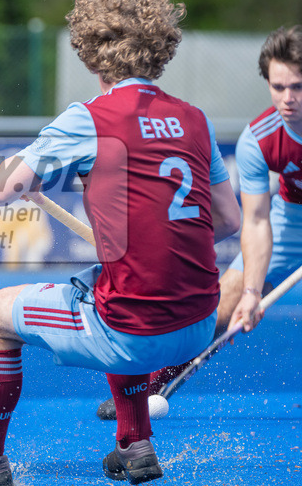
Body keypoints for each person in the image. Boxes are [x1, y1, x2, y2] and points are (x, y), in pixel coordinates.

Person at [0, 0, 242, 486]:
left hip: (137, 331)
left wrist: (20, 175)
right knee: (101, 281)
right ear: (162, 50)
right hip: (201, 321)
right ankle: (135, 441)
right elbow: (227, 221)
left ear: (92, 53)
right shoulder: (195, 120)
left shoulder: (89, 118)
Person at [98, 24, 302, 418]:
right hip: (290, 219)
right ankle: (147, 390)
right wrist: (253, 293)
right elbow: (257, 221)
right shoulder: (259, 139)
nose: (287, 99)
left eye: (298, 87)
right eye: (278, 87)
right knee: (224, 302)